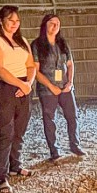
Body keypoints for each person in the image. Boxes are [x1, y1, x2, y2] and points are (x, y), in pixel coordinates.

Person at [0, 6, 36, 193]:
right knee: (5, 132)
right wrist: (20, 85)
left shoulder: (22, 41)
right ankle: (1, 176)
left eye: (17, 21)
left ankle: (15, 165)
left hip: (24, 86)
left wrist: (28, 84)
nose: (14, 24)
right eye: (10, 20)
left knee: (19, 129)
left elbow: (31, 65)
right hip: (4, 87)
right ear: (1, 21)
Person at [31, 14, 85, 161]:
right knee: (49, 119)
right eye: (51, 23)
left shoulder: (62, 43)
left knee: (72, 115)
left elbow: (70, 64)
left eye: (57, 24)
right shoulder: (36, 45)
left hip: (65, 86)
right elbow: (35, 71)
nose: (55, 26)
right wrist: (50, 86)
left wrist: (70, 82)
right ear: (45, 25)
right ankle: (54, 151)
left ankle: (75, 145)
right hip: (47, 88)